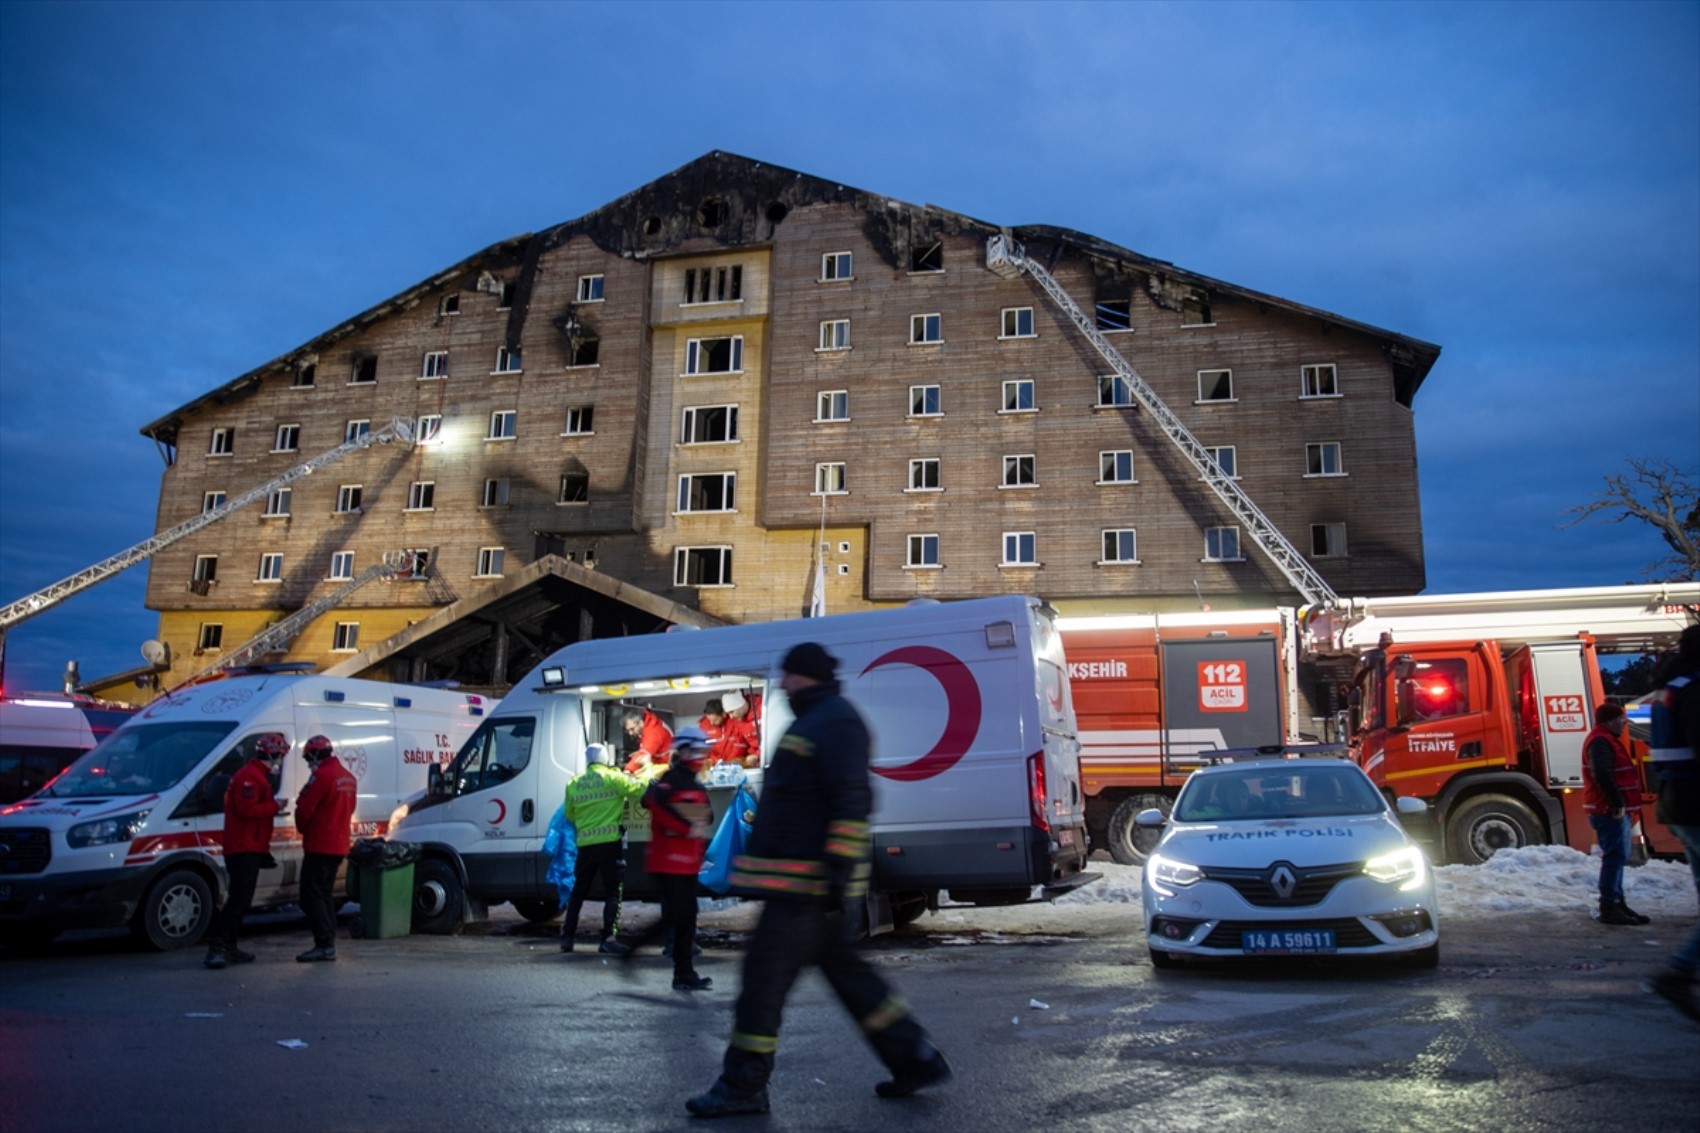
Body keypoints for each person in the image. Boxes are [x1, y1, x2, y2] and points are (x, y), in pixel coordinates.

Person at [686, 643, 950, 1119]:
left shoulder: (834, 722)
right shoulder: (818, 720)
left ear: (806, 676)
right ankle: (915, 1060)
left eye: (789, 676)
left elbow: (851, 806)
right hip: (804, 889)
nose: (783, 685)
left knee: (761, 988)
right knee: (855, 985)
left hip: (804, 892)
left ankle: (743, 1085)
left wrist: (835, 880)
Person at [623, 728, 715, 990]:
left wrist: (690, 818)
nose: (701, 756)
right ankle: (680, 972)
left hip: (686, 863)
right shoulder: (670, 780)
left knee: (683, 916)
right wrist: (687, 825)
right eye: (697, 751)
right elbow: (653, 803)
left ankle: (680, 972)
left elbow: (707, 815)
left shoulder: (692, 782)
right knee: (680, 915)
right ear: (684, 751)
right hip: (667, 862)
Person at [1647, 623, 1700, 1021]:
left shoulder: (1670, 689)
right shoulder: (1694, 689)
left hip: (1679, 803)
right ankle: (1680, 970)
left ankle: (1681, 969)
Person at [204, 732, 289, 970]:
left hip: (248, 846)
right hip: (243, 848)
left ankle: (229, 947)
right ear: (271, 754)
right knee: (238, 901)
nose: (280, 761)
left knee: (242, 900)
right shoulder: (250, 778)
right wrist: (275, 806)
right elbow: (248, 810)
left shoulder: (255, 776)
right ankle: (218, 947)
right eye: (280, 756)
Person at [562, 743, 646, 954]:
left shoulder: (573, 783)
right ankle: (608, 939)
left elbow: (570, 815)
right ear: (606, 758)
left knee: (578, 892)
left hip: (585, 847)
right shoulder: (612, 778)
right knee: (612, 893)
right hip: (609, 844)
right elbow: (638, 790)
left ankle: (567, 938)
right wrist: (648, 775)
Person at [1580, 703, 1648, 927]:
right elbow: (1601, 773)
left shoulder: (1604, 739)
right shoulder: (1601, 741)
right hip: (1608, 810)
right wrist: (1617, 802)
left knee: (1618, 856)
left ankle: (1618, 902)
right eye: (1621, 718)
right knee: (1615, 857)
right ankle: (1609, 906)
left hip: (1610, 808)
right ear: (1609, 721)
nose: (1624, 722)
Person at [294, 734, 357, 962]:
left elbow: (304, 809)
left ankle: (324, 943)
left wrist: (303, 828)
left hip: (320, 845)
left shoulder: (320, 776)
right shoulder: (348, 777)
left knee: (311, 895)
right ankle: (327, 940)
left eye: (307, 759)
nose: (308, 764)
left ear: (313, 755)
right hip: (339, 845)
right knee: (325, 894)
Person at [623, 707, 673, 775]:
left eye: (632, 729)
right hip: (662, 764)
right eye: (628, 730)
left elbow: (644, 753)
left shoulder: (653, 732)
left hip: (667, 767)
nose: (630, 733)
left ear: (640, 723)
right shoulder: (649, 723)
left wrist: (628, 770)